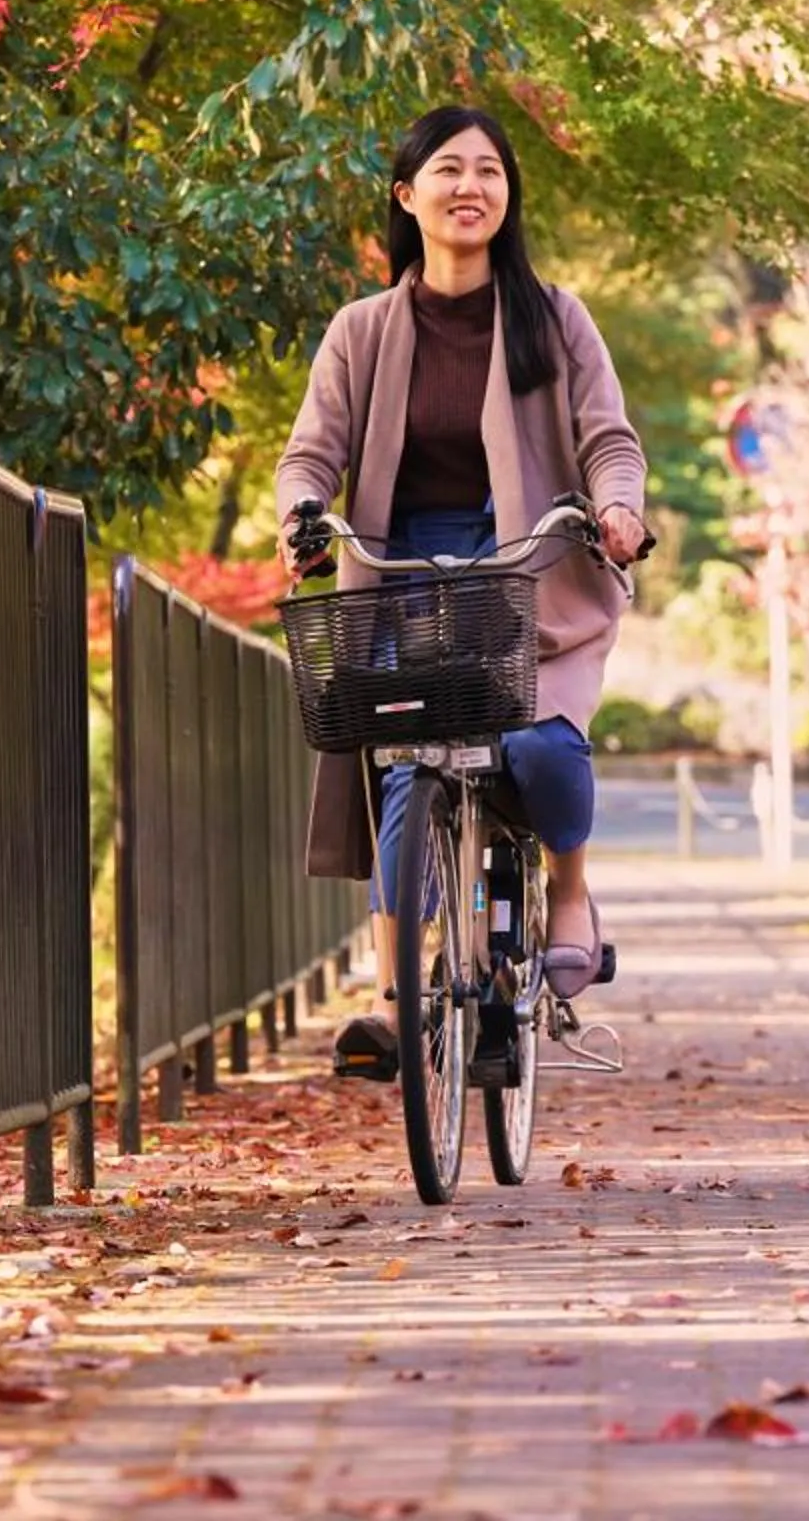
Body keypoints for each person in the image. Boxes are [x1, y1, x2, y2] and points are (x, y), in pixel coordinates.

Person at [274, 105, 651, 1082]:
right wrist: (304, 517)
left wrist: (616, 510)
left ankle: (569, 886)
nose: (471, 186)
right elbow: (312, 451)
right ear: (408, 194)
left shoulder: (554, 317)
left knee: (539, 740)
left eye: (490, 170)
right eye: (448, 168)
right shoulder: (363, 331)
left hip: (528, 562)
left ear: (508, 195)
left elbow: (608, 434)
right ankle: (395, 995)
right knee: (405, 764)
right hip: (403, 574)